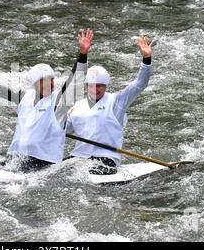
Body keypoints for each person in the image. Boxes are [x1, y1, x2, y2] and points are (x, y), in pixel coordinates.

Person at [0, 29, 94, 171]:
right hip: (16, 160)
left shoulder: (59, 102)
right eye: (43, 81)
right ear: (34, 83)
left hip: (42, 165)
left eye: (51, 80)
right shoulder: (23, 98)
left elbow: (75, 82)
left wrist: (83, 54)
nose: (48, 84)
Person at [66, 36, 153, 175]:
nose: (96, 89)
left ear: (105, 86)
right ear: (86, 86)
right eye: (92, 86)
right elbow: (61, 130)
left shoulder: (116, 101)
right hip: (78, 158)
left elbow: (139, 84)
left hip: (105, 159)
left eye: (99, 85)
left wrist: (146, 59)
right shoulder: (77, 106)